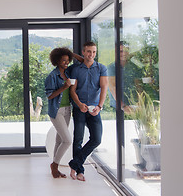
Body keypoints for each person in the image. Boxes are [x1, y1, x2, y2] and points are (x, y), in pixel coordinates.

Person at [68, 41, 108, 181]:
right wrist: (79, 104)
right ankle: (79, 171)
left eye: (94, 52)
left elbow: (104, 88)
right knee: (78, 139)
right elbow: (72, 90)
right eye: (89, 51)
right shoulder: (76, 69)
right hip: (79, 109)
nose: (91, 54)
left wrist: (99, 107)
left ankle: (74, 163)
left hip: (94, 109)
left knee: (96, 139)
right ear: (83, 52)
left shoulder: (101, 68)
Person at [45, 47, 83, 178]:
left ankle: (55, 167)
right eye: (63, 60)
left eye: (68, 60)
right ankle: (54, 165)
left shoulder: (68, 72)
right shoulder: (52, 76)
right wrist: (64, 87)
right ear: (56, 61)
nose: (66, 63)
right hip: (56, 111)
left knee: (59, 139)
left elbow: (82, 61)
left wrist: (70, 53)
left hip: (67, 110)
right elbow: (50, 96)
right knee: (67, 140)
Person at [107, 41, 142, 114]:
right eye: (121, 51)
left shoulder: (134, 67)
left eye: (126, 51)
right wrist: (123, 107)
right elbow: (113, 88)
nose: (124, 53)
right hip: (116, 109)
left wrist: (140, 103)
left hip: (133, 107)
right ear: (116, 52)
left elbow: (138, 87)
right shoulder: (111, 68)